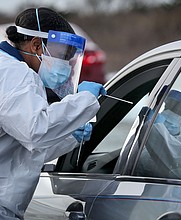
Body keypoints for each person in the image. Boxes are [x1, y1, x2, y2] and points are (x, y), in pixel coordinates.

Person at [0, 7, 106, 220]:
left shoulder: (12, 70)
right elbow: (35, 130)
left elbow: (22, 146)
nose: (65, 65)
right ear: (37, 45)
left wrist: (68, 136)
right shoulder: (15, 75)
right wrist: (83, 100)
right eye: (61, 55)